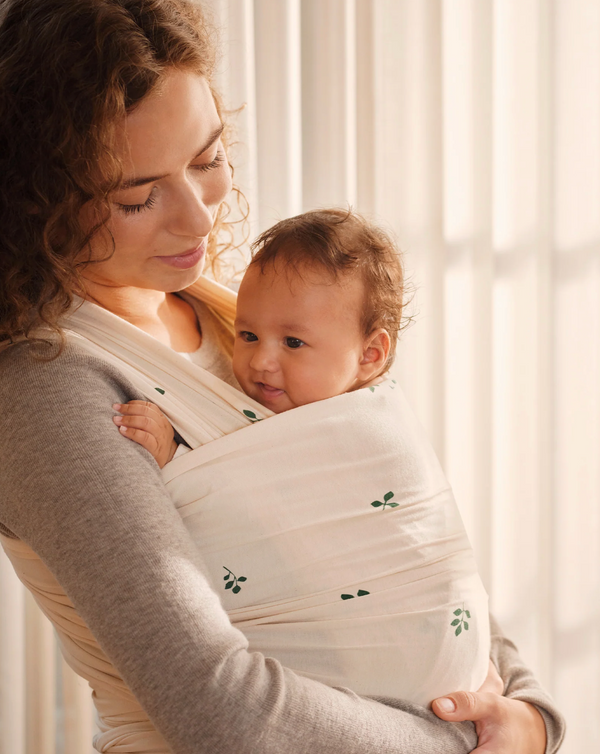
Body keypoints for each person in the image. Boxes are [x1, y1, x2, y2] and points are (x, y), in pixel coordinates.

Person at [0, 1, 565, 753]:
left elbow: (393, 540)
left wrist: (527, 715)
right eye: (139, 197)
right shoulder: (50, 390)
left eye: (207, 160)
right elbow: (220, 707)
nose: (200, 220)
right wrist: (460, 741)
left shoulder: (233, 313)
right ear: (41, 202)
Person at [115, 207, 492, 707]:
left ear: (370, 356)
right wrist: (172, 457)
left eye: (293, 342)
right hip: (330, 681)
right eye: (248, 335)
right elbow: (234, 519)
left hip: (438, 660)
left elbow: (414, 541)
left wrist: (175, 460)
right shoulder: (240, 411)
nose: (261, 360)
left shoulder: (370, 430)